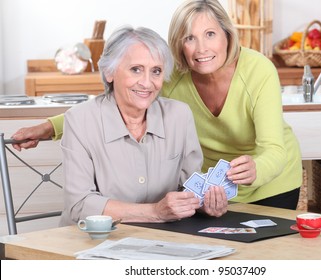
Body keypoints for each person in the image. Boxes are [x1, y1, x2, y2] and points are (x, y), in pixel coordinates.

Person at [12, 0, 302, 210]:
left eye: (210, 34)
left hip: (269, 182)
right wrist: (49, 127)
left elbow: (274, 150)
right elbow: (109, 105)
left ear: (228, 34)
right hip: (210, 191)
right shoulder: (168, 76)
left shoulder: (257, 70)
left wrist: (256, 170)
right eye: (190, 38)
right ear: (179, 44)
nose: (201, 48)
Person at [50, 25, 228, 226]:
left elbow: (188, 189)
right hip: (91, 241)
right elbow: (80, 205)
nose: (147, 83)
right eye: (136, 70)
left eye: (156, 71)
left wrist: (205, 203)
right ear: (109, 72)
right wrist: (155, 212)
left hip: (161, 241)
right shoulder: (79, 120)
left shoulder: (179, 115)